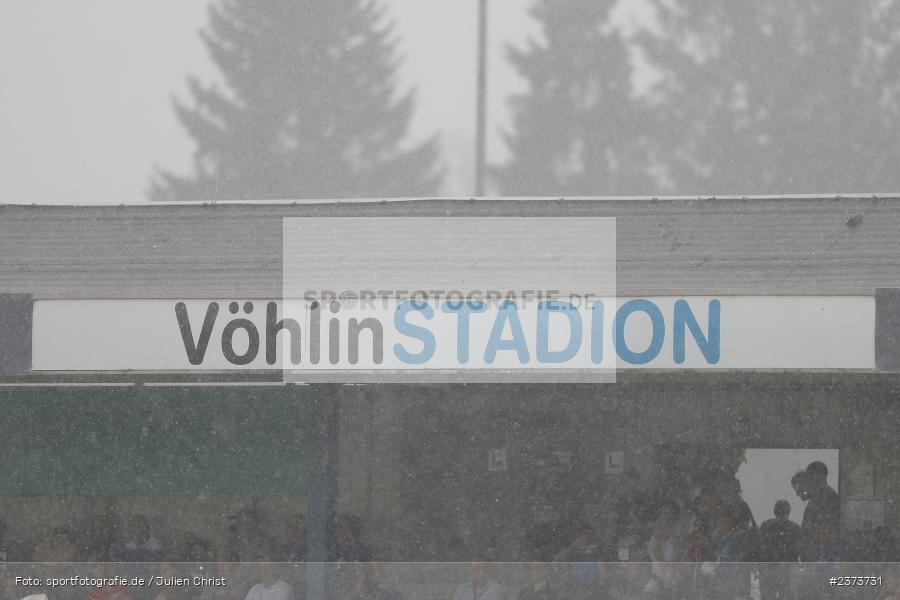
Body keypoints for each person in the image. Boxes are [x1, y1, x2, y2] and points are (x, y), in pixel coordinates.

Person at [759, 500, 800, 600]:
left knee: (767, 596)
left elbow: (761, 547)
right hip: (787, 571)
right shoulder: (795, 527)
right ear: (789, 512)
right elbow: (797, 550)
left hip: (768, 569)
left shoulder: (765, 525)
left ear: (774, 511)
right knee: (787, 595)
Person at [800, 461, 840, 561]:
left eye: (811, 476)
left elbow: (826, 527)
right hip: (815, 550)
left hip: (822, 551)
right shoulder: (817, 495)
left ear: (820, 476)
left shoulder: (828, 496)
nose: (810, 480)